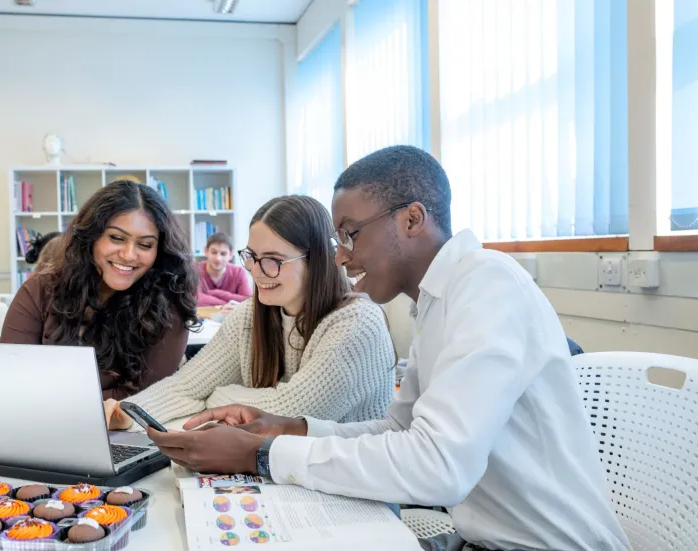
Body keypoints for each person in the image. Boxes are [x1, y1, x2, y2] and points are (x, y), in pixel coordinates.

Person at [147, 146, 631, 551]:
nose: (340, 255)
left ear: (412, 219)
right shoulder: (434, 303)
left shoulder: (488, 284)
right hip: (478, 539)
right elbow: (398, 429)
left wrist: (262, 454)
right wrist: (288, 427)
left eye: (350, 233)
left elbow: (438, 466)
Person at [104, 195, 396, 429]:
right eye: (252, 257)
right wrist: (128, 413)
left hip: (352, 491)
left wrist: (218, 396)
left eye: (273, 260)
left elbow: (290, 412)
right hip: (290, 474)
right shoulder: (251, 315)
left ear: (317, 260)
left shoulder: (357, 323)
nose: (256, 272)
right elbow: (187, 386)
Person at [1, 180, 200, 400]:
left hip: (129, 432)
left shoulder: (169, 304)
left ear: (159, 250)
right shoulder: (40, 289)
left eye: (145, 244)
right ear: (92, 236)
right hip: (40, 426)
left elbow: (147, 395)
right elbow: (12, 381)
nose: (128, 255)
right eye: (116, 238)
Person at [197, 232, 252, 307]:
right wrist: (230, 304)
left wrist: (215, 293)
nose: (218, 258)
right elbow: (196, 299)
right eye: (214, 252)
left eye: (223, 254)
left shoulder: (238, 272)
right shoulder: (195, 270)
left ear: (231, 254)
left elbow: (247, 300)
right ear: (206, 251)